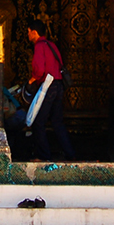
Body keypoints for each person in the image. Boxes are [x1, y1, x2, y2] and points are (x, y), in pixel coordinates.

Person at [25, 18, 75, 162]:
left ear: (34, 33)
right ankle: (70, 153)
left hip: (48, 86)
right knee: (57, 121)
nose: (28, 35)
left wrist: (32, 80)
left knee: (38, 121)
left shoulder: (39, 46)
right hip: (59, 86)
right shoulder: (52, 45)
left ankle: (43, 155)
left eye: (29, 32)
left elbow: (40, 70)